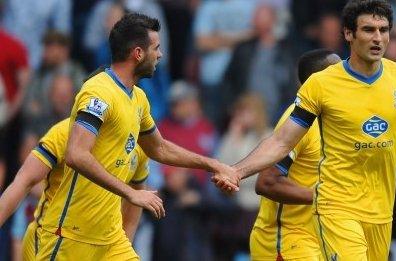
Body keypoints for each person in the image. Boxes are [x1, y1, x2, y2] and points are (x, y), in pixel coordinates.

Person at [213, 1, 396, 260]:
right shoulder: (321, 85)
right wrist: (238, 171)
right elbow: (280, 142)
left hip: (381, 210)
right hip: (335, 208)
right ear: (349, 34)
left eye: (383, 30)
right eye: (368, 30)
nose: (377, 38)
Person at [35, 13, 232, 260]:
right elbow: (76, 154)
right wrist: (131, 193)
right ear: (138, 53)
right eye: (156, 48)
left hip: (110, 239)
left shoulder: (138, 98)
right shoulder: (99, 92)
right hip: (72, 236)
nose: (160, 55)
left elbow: (159, 149)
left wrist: (212, 164)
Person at [0, 118, 153, 260]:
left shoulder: (135, 144)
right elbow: (23, 181)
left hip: (105, 244)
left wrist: (122, 247)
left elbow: (136, 201)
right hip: (53, 241)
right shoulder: (64, 133)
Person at [251, 49, 341, 261]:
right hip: (286, 243)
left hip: (319, 240)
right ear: (320, 82)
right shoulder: (298, 122)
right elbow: (267, 182)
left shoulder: (337, 120)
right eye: (340, 74)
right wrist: (327, 198)